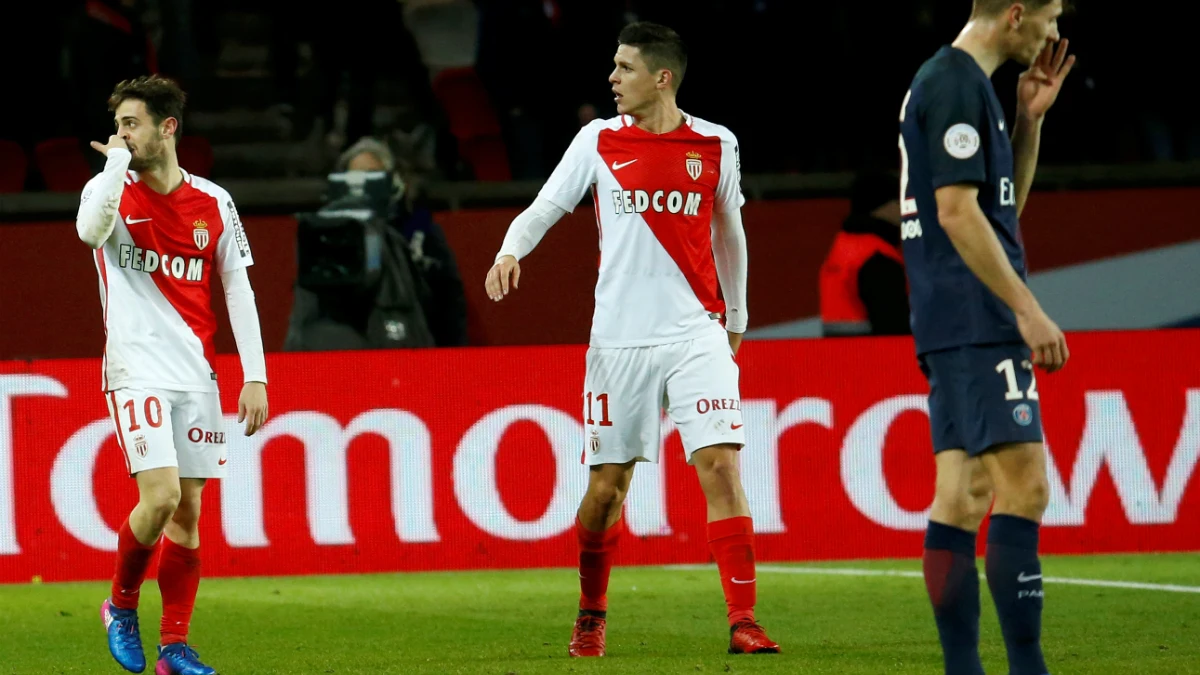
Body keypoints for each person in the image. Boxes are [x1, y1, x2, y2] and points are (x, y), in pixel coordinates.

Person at [485, 22, 779, 658]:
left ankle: (744, 620)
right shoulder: (597, 140)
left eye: (624, 68)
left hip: (697, 332)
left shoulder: (716, 144)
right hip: (619, 343)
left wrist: (737, 320)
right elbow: (544, 206)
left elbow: (731, 234)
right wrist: (511, 250)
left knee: (722, 467)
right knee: (607, 490)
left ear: (661, 77)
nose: (612, 79)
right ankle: (592, 612)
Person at [897, 2, 1075, 674]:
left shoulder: (969, 87)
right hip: (975, 316)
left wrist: (1027, 124)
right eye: (1052, 15)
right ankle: (1027, 667)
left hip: (954, 313)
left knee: (964, 494)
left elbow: (997, 212)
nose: (1055, 33)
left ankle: (962, 667)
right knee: (1025, 486)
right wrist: (1027, 310)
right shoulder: (953, 83)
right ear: (1016, 15)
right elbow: (955, 211)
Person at [76, 75, 269, 675]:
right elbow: (88, 231)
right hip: (136, 369)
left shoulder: (214, 201)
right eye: (118, 125)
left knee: (188, 514)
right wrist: (114, 167)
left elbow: (238, 288)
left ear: (168, 128)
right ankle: (121, 604)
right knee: (157, 498)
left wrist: (255, 375)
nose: (122, 135)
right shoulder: (107, 190)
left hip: (196, 375)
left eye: (132, 124)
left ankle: (175, 648)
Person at [819, 170, 911, 337]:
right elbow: (894, 329)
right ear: (880, 206)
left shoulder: (843, 245)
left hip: (838, 356)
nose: (903, 208)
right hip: (870, 357)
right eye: (898, 202)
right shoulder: (878, 257)